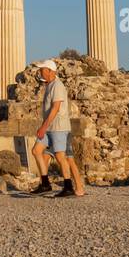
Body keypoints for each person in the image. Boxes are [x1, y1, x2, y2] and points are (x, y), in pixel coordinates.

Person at [30, 60, 85, 197]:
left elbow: (56, 108)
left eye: (42, 69)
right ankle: (45, 184)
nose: (40, 72)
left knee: (62, 156)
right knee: (36, 151)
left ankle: (68, 187)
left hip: (58, 127)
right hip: (50, 128)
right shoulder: (50, 85)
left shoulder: (58, 85)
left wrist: (43, 126)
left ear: (49, 70)